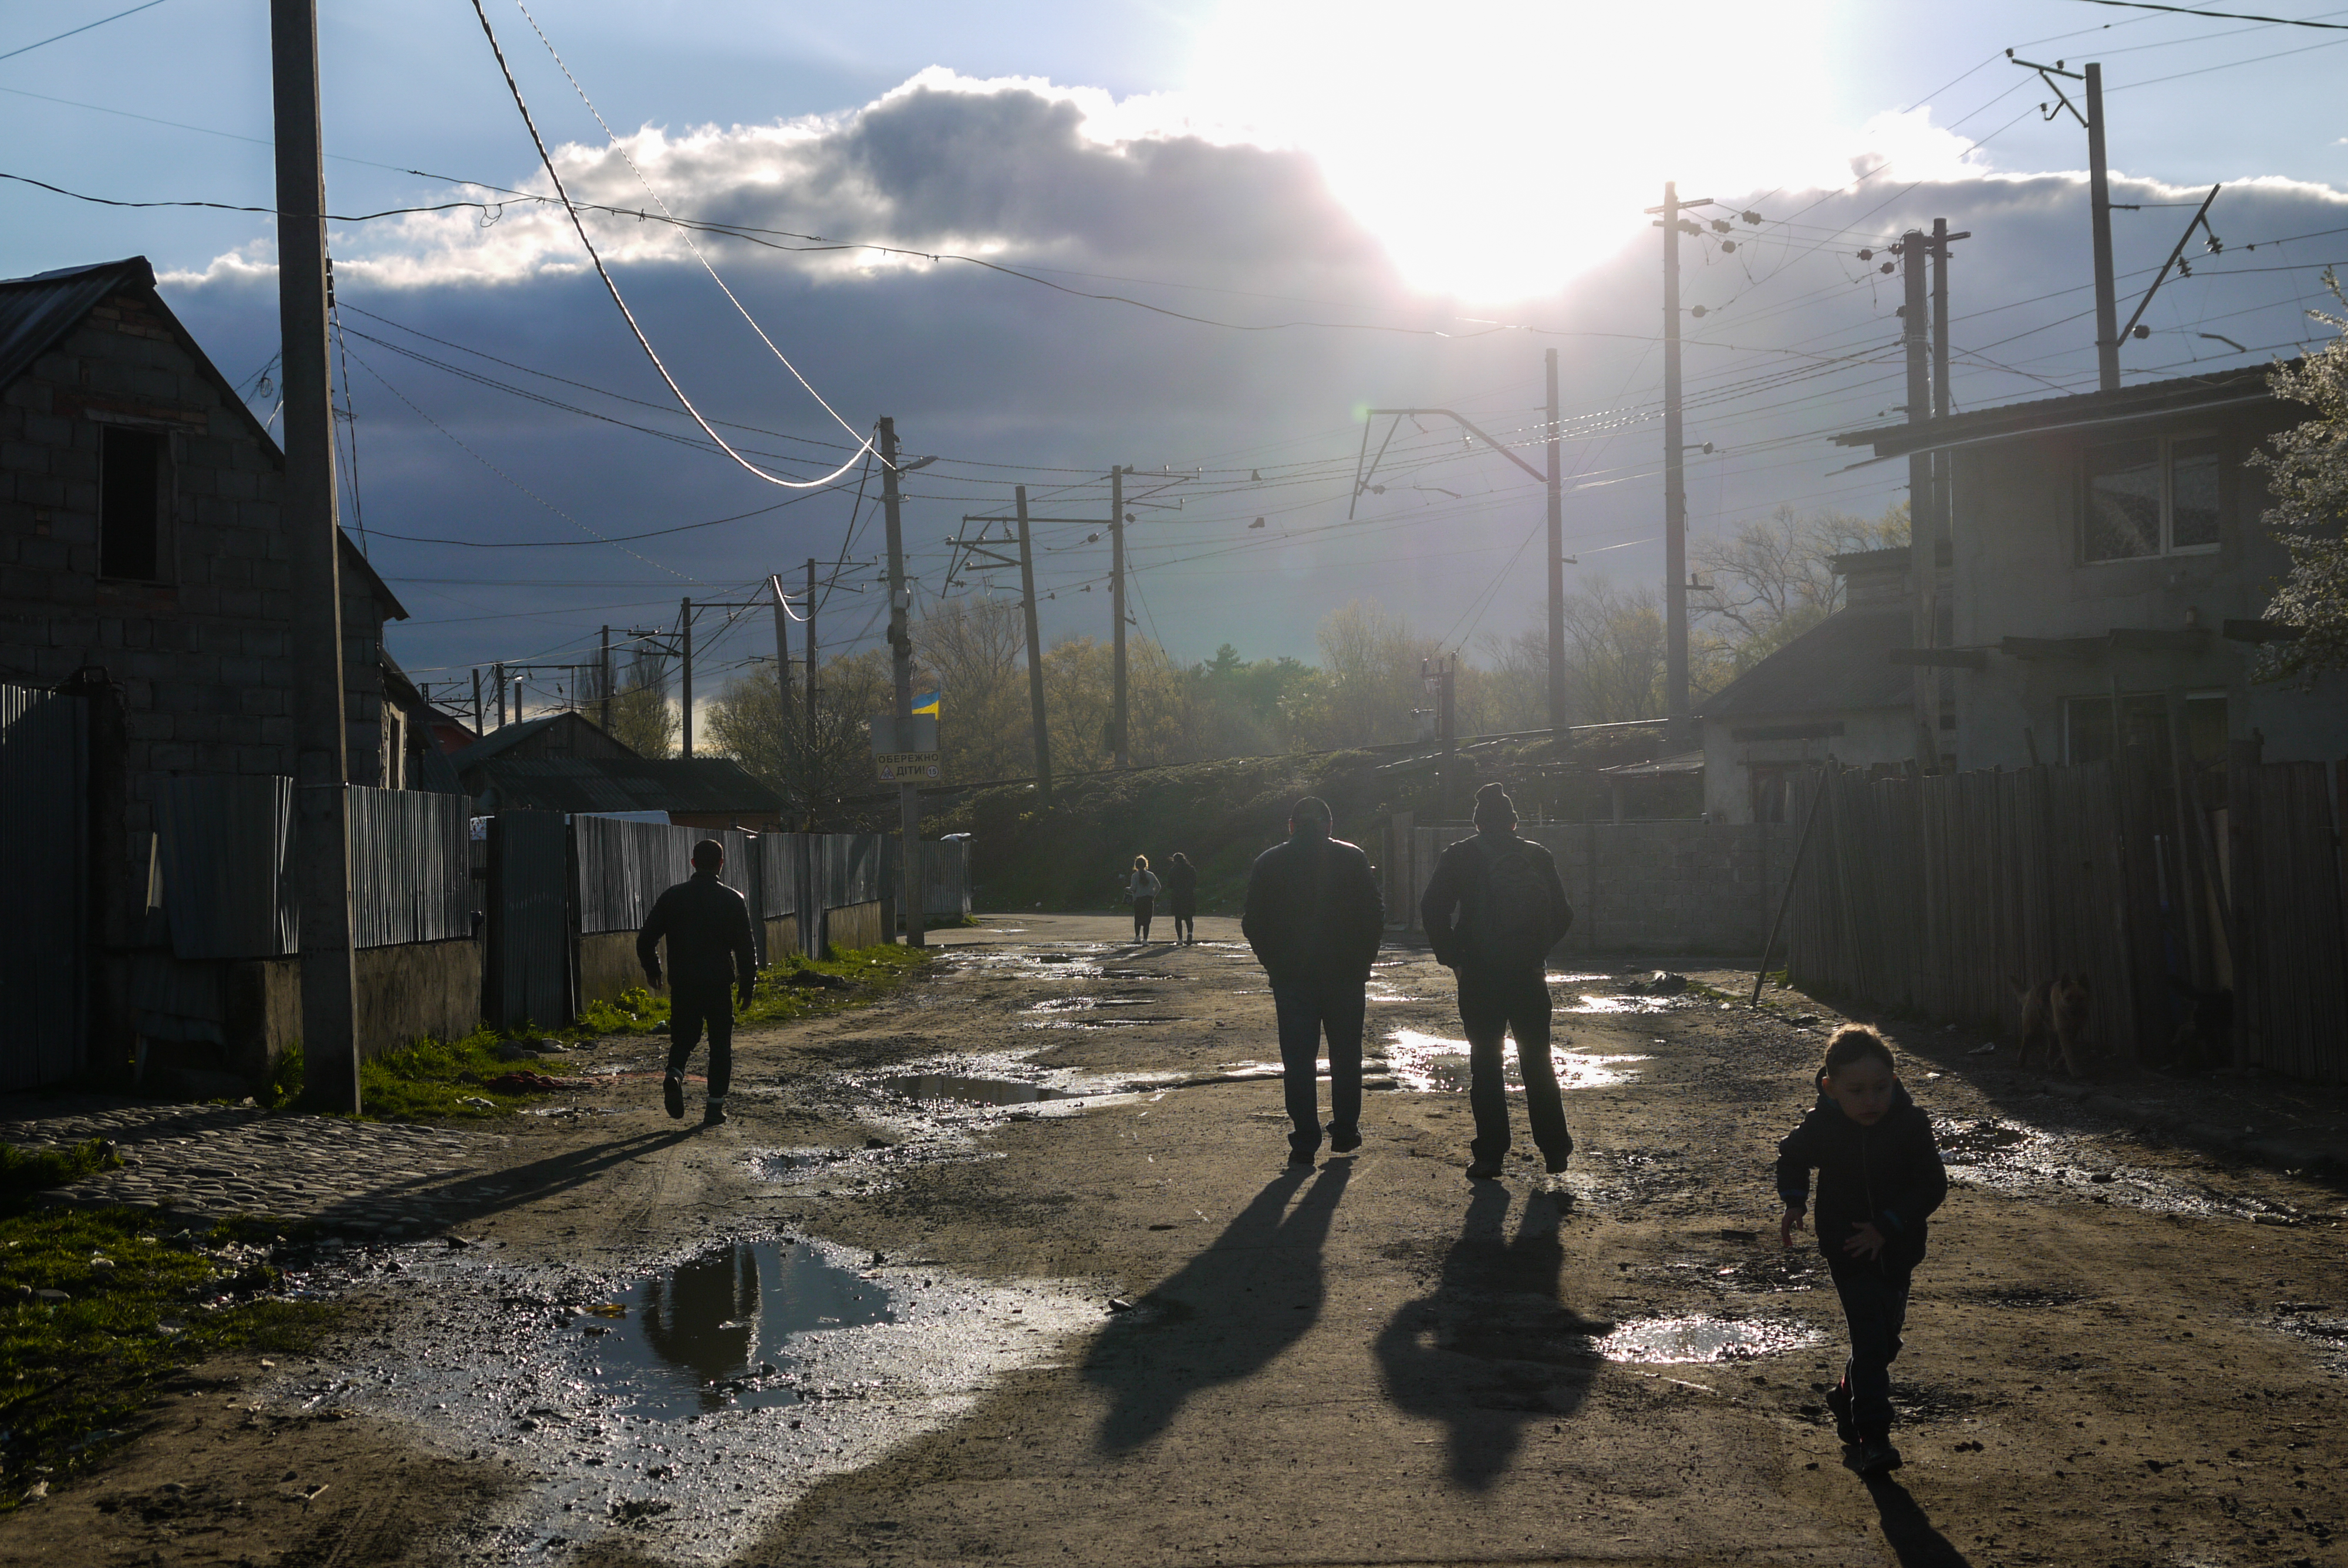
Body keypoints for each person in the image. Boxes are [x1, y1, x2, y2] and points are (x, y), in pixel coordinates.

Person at [1775, 1024, 1948, 1476]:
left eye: (1880, 1088)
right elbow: (1791, 1155)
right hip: (1847, 1248)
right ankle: (1874, 1436)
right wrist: (1795, 1202)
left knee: (1885, 1339)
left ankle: (1845, 1393)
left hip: (1900, 1247)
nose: (1871, 1100)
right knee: (1870, 1340)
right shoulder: (1824, 1126)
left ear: (1895, 1080)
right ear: (1831, 1089)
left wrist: (1888, 1226)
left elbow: (1932, 1184)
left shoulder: (1910, 1124)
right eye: (1857, 1091)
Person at [1419, 782, 1577, 1182]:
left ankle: (1490, 1156)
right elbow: (1564, 914)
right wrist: (1535, 950)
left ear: (1477, 823)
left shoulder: (1459, 856)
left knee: (1486, 1064)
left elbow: (1432, 908)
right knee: (1538, 1060)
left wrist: (1454, 958)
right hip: (1528, 976)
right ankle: (1555, 1150)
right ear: (1513, 822)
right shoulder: (1537, 856)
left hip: (1480, 977)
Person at [1241, 797, 1384, 1166]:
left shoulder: (1269, 862)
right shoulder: (1352, 858)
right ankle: (1346, 1131)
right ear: (1329, 826)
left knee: (1299, 1060)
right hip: (1345, 977)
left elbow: (1253, 923)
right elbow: (1374, 915)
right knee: (1346, 1056)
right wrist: (1363, 962)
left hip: (1293, 979)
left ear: (1291, 826)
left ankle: (1305, 1138)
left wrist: (1274, 964)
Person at [637, 839, 757, 1127]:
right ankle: (714, 1108)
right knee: (720, 1045)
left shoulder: (673, 897)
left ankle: (674, 1074)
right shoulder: (732, 900)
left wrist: (654, 969)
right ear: (721, 863)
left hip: (684, 982)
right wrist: (747, 985)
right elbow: (746, 948)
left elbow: (645, 939)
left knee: (684, 1037)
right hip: (717, 984)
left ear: (693, 863)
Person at [1164, 851, 1199, 945]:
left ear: (1175, 861)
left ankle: (1180, 939)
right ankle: (1190, 934)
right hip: (1189, 895)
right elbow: (1195, 882)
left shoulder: (1173, 870)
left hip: (1177, 896)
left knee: (1178, 918)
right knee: (1189, 917)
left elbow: (1169, 885)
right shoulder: (1191, 869)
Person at [1126, 854, 1162, 942]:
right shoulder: (1151, 875)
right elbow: (1158, 886)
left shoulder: (1135, 876)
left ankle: (1137, 937)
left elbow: (1133, 889)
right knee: (1147, 920)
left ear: (1136, 865)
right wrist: (1153, 895)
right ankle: (1145, 939)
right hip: (1149, 900)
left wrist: (1128, 889)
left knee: (1138, 919)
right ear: (1146, 865)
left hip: (1138, 900)